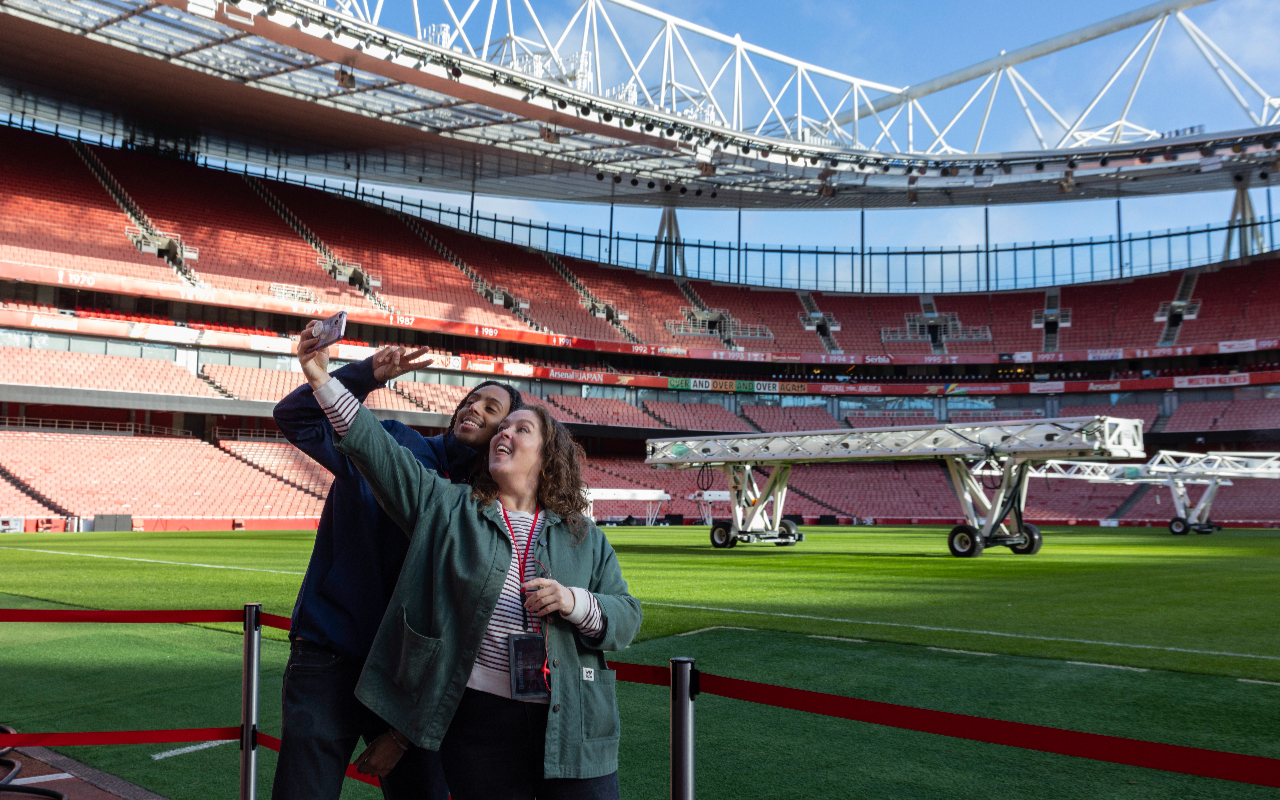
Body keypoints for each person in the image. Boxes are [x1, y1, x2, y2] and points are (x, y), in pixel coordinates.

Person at [295, 328, 641, 800]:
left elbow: (627, 618)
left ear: (548, 457)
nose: (503, 433)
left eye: (521, 428)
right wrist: (323, 379)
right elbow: (375, 451)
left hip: (575, 726)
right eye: (502, 429)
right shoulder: (449, 507)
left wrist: (575, 602)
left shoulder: (585, 536)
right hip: (478, 731)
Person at [272, 328, 522, 800]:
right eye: (472, 400)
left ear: (506, 434)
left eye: (492, 410)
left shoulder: (488, 508)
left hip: (409, 679)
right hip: (330, 652)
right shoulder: (389, 438)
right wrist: (365, 376)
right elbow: (295, 418)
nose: (475, 409)